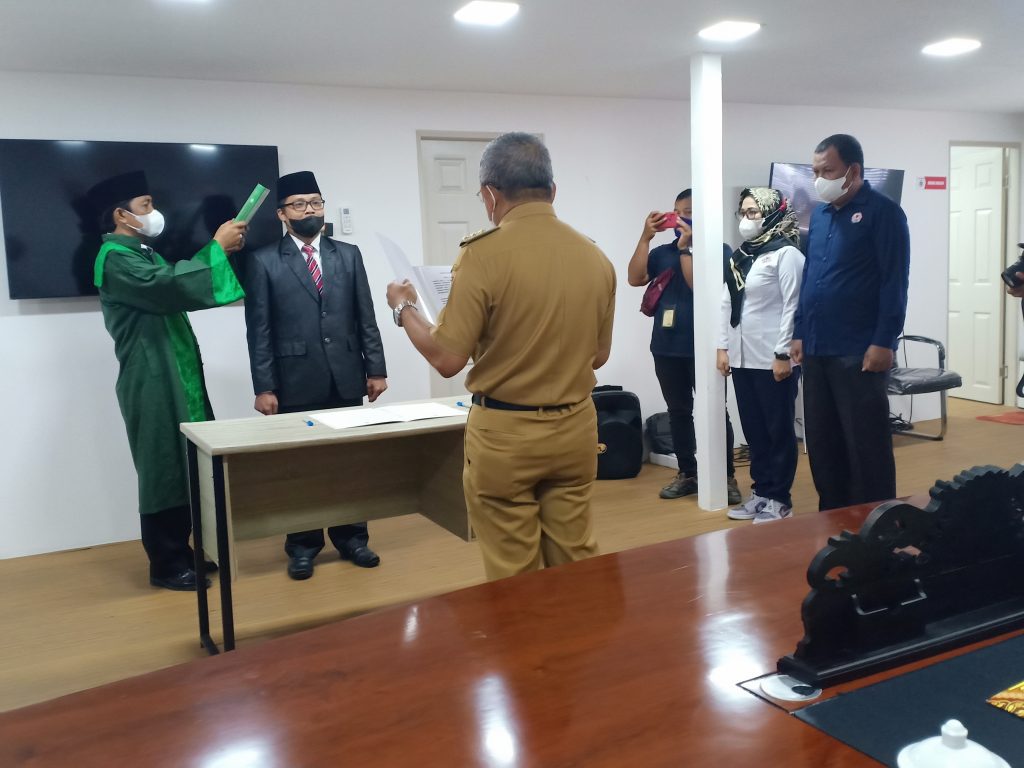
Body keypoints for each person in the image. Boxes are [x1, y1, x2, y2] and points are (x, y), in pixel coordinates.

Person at [385, 132, 615, 581]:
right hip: (576, 428)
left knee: (515, 572)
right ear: (552, 190)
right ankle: (584, 626)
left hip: (507, 435)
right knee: (577, 558)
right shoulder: (595, 256)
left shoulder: (481, 255)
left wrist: (404, 308)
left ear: (490, 194)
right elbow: (599, 356)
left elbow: (447, 359)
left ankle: (527, 631)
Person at [89, 170, 248, 591]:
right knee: (163, 467)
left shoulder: (142, 253)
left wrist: (218, 252)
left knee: (186, 462)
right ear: (121, 215)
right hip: (152, 376)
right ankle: (165, 563)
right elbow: (168, 286)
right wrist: (216, 248)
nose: (153, 211)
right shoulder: (115, 257)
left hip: (175, 371)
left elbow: (176, 282)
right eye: (145, 205)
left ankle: (183, 550)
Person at [244, 171, 387, 580]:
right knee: (301, 468)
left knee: (349, 463)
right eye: (299, 204)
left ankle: (352, 539)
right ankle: (303, 546)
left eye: (316, 202)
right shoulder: (264, 260)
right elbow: (259, 330)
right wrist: (264, 386)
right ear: (282, 214)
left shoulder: (349, 254)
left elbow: (366, 316)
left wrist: (376, 368)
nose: (310, 210)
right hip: (294, 380)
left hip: (346, 375)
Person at [791, 134, 911, 510]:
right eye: (815, 172)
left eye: (827, 171)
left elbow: (894, 281)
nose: (818, 179)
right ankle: (832, 519)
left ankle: (876, 523)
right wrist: (798, 331)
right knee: (823, 441)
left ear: (853, 170)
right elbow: (810, 278)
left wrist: (884, 341)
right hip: (817, 347)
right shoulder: (820, 215)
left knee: (865, 444)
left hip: (859, 350)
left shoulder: (884, 212)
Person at [627, 190, 740, 504]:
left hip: (705, 348)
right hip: (666, 346)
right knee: (678, 412)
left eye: (687, 212)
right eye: (676, 212)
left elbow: (699, 288)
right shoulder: (662, 252)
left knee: (716, 411)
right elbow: (635, 278)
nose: (679, 218)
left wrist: (686, 250)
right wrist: (645, 237)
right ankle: (688, 473)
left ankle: (726, 476)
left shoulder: (719, 251)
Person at [718, 188, 804, 523]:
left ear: (772, 213)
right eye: (742, 212)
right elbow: (726, 304)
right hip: (742, 358)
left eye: (753, 212)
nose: (746, 218)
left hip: (773, 359)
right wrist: (722, 347)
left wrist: (783, 354)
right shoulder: (741, 256)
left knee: (777, 431)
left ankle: (780, 499)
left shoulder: (787, 254)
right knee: (754, 431)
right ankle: (761, 492)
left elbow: (793, 307)